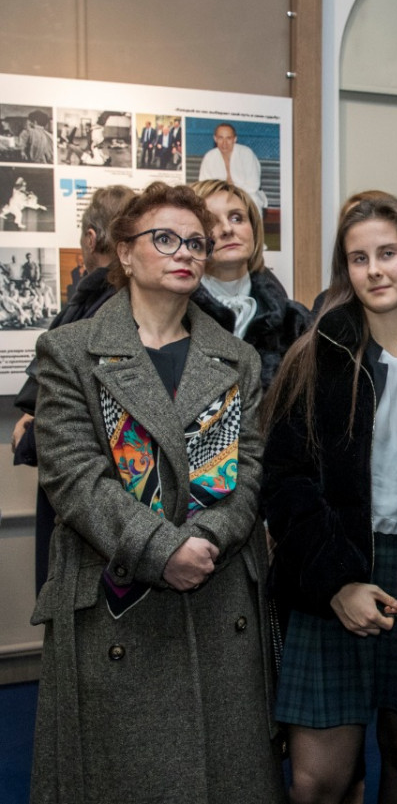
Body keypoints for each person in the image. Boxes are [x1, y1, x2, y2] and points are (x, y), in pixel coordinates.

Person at [29, 182, 284, 802]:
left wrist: (206, 540)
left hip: (220, 591)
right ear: (124, 252)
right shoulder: (71, 352)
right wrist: (161, 550)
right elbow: (75, 477)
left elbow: (248, 471)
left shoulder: (236, 358)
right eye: (165, 239)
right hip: (116, 600)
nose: (186, 253)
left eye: (196, 243)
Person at [262, 196, 397, 804]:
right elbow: (285, 482)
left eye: (387, 253)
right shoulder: (317, 354)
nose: (374, 270)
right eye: (358, 258)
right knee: (318, 781)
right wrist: (336, 582)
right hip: (333, 573)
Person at [12, 185, 133, 594]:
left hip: (91, 490)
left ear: (91, 238)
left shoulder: (102, 305)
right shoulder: (97, 300)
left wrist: (33, 430)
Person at [189, 179, 310, 390]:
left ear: (253, 229)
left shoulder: (294, 321)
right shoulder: (176, 316)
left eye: (237, 218)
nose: (227, 229)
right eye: (210, 222)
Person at [199, 122, 268, 212]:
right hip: (219, 195)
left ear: (235, 139)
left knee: (253, 201)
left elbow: (253, 184)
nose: (224, 143)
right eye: (220, 138)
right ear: (215, 139)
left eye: (228, 138)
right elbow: (204, 184)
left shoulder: (246, 153)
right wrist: (222, 194)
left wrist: (234, 195)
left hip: (246, 194)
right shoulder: (209, 157)